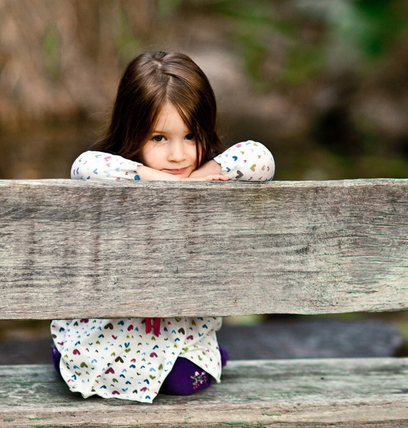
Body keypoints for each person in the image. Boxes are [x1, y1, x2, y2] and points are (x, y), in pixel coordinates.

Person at [51, 51, 275, 404]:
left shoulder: (211, 177)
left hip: (174, 331)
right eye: (159, 138)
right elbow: (84, 164)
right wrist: (150, 177)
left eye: (190, 136)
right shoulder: (118, 177)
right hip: (114, 333)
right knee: (181, 380)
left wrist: (203, 175)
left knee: (182, 380)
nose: (177, 155)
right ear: (132, 132)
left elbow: (260, 156)